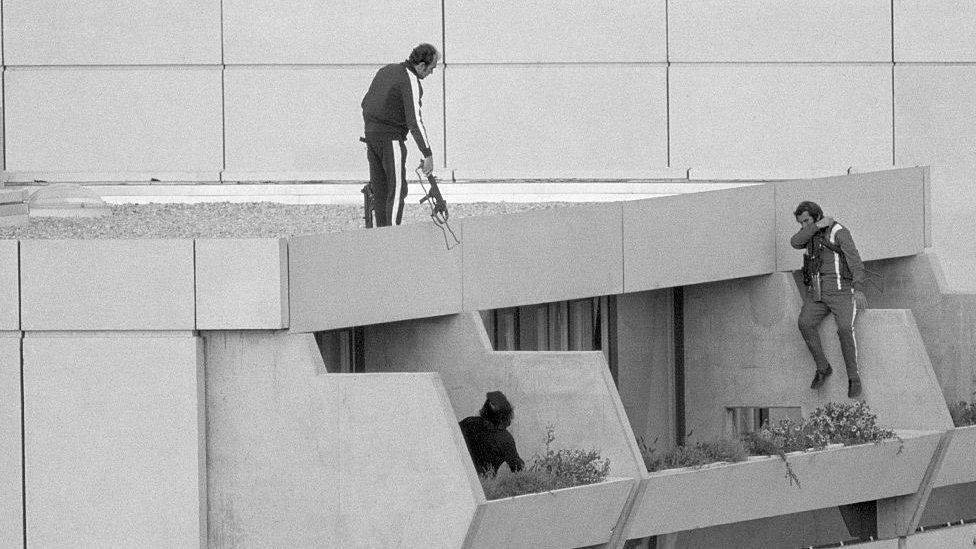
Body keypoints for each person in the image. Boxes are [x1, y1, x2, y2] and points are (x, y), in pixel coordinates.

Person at [791, 201, 867, 398]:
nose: (803, 225)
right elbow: (794, 242)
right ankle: (823, 367)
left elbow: (855, 261)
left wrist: (858, 289)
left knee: (844, 328)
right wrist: (816, 226)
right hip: (818, 293)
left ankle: (853, 378)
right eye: (801, 222)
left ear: (816, 215)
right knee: (805, 323)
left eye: (806, 220)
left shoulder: (839, 231)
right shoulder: (810, 232)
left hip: (842, 291)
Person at [361, 43, 439, 227]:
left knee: (380, 191)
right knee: (396, 190)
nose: (431, 73)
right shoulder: (410, 80)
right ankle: (393, 237)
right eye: (431, 68)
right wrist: (427, 153)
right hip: (391, 141)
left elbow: (365, 103)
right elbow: (415, 122)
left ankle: (381, 236)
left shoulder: (386, 70)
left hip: (371, 137)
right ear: (421, 66)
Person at [459, 391, 524, 476]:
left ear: (485, 408)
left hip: (460, 475)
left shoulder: (469, 422)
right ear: (507, 412)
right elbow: (518, 468)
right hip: (484, 483)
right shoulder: (506, 439)